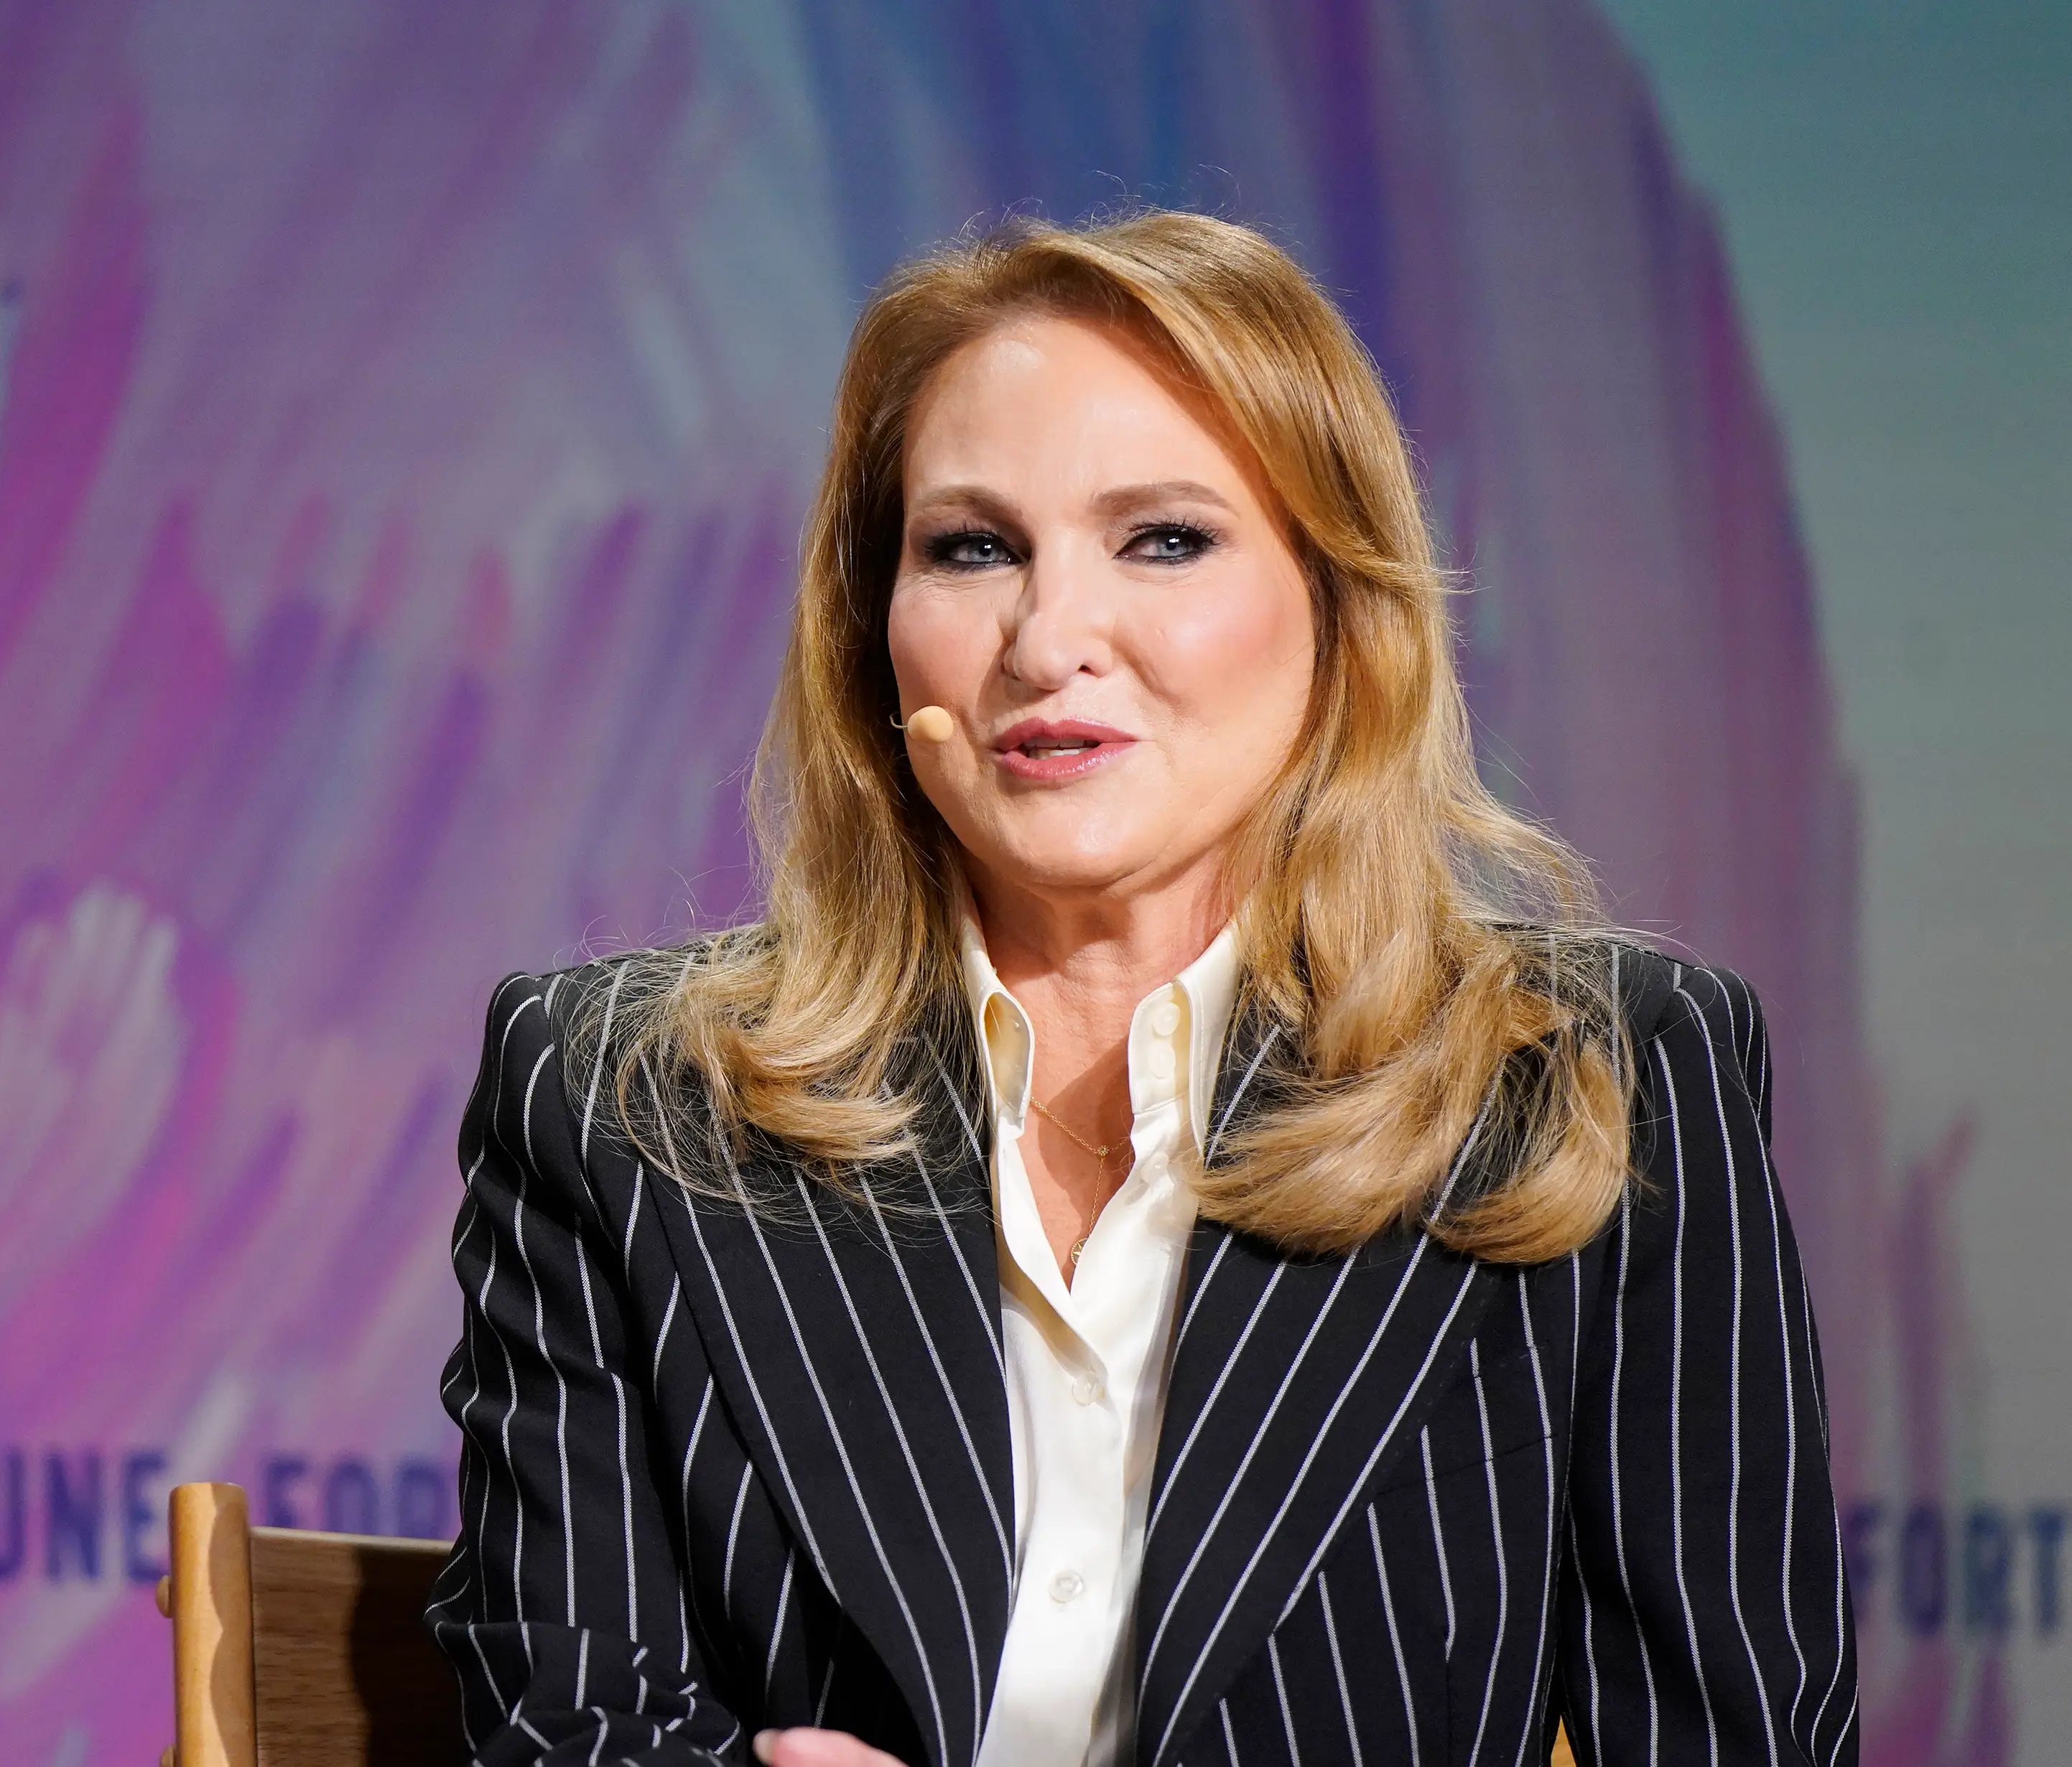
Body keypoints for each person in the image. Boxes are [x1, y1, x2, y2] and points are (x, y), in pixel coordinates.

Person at [425, 210, 1857, 1767]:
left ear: (1340, 608)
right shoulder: (619, 1102)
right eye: (971, 548)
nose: (1049, 639)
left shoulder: (1595, 1080)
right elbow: (572, 1721)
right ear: (873, 637)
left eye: (1163, 539)